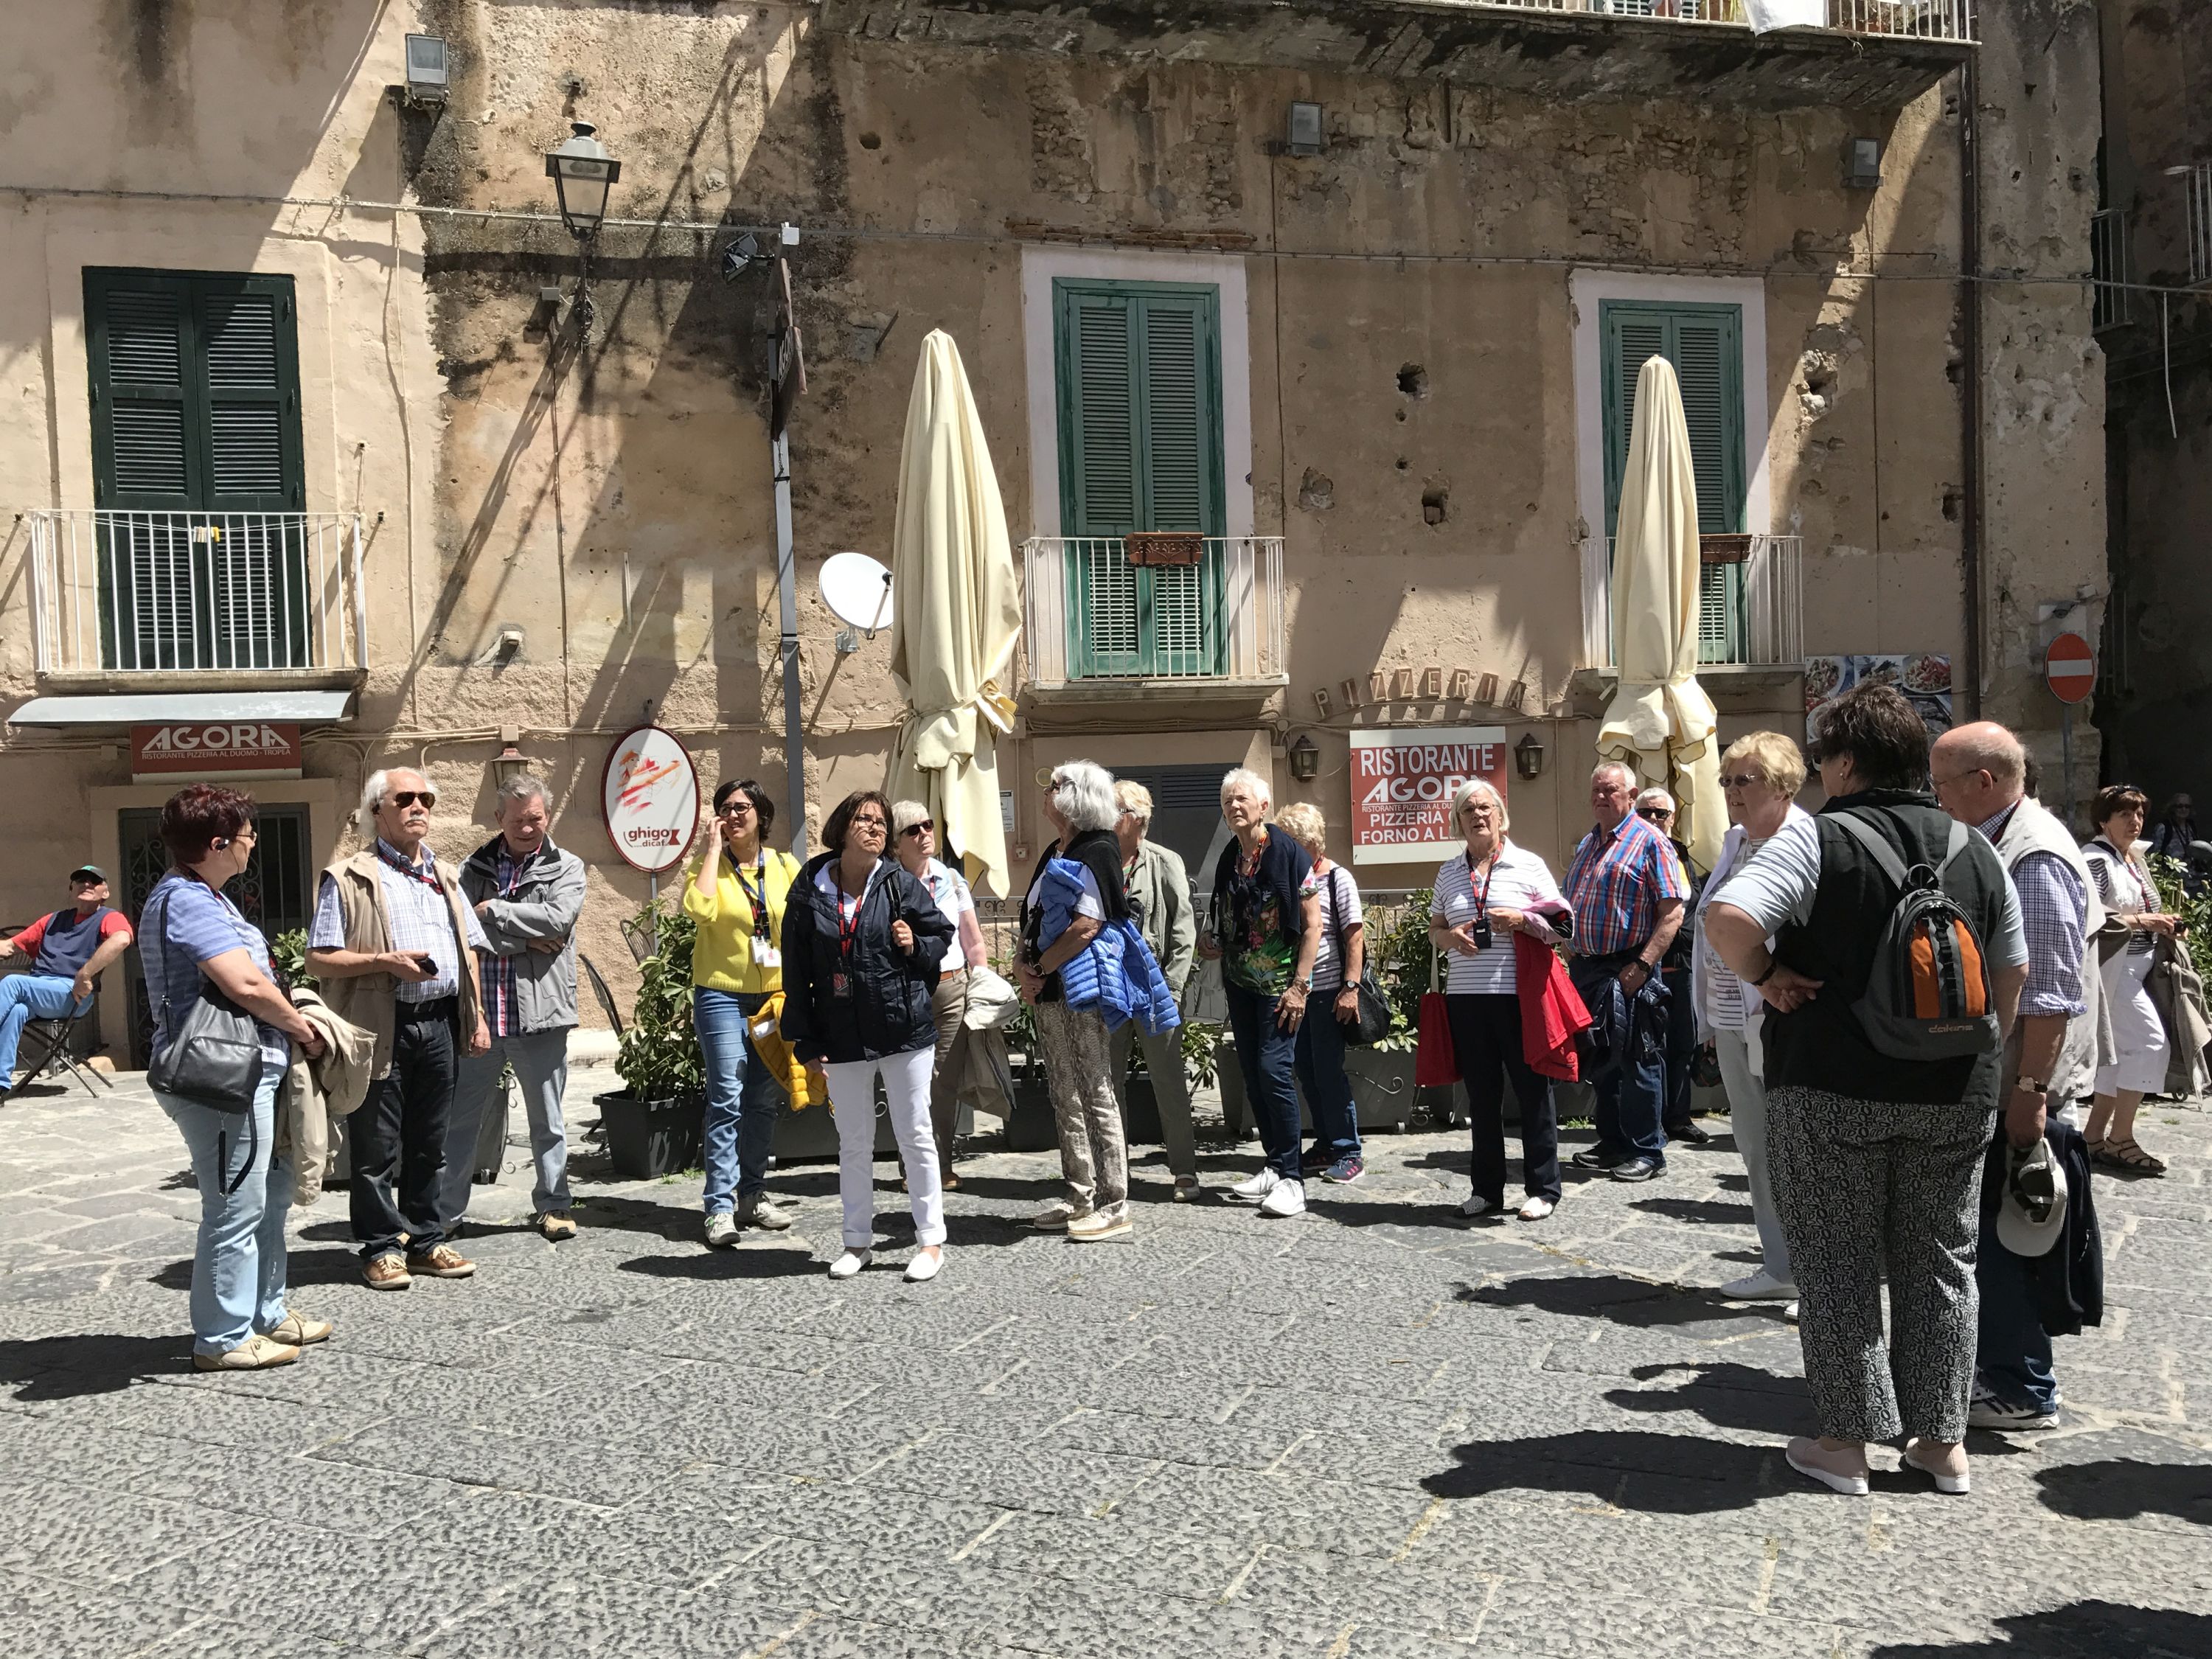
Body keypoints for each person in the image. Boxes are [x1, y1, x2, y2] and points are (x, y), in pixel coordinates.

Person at [1704, 683, 2029, 1498]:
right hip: (1955, 1089)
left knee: (1836, 1259)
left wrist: (1768, 977)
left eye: (1823, 760)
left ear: (1846, 764)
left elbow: (1729, 921)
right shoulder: (1976, 846)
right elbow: (2013, 970)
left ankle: (1845, 1445)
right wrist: (1976, 1053)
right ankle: (1942, 1445)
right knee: (1943, 1261)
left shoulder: (1818, 839)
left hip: (1831, 1083)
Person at [1930, 723, 2108, 1435]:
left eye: (1942, 784)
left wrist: (2030, 1094)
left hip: (2020, 1085)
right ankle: (2002, 1371)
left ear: (1985, 782)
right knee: (1997, 1230)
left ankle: (2021, 1386)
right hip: (2010, 1078)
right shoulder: (2004, 840)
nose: (1936, 798)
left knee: (2010, 1236)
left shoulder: (2032, 857)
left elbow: (2050, 992)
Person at [142, 785, 331, 1370]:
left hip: (248, 1073)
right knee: (234, 1206)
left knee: (267, 1199)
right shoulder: (185, 899)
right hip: (222, 1079)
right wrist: (301, 1027)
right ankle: (222, 1337)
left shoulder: (209, 897)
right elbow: (244, 983)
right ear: (218, 843)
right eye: (248, 835)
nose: (253, 844)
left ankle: (265, 1313)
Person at [307, 768, 491, 1293]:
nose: (418, 807)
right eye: (405, 798)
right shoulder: (349, 878)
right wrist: (382, 962)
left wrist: (476, 1016)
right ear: (377, 811)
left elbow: (469, 951)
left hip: (439, 1023)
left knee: (431, 1143)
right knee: (376, 1148)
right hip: (379, 1026)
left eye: (425, 799)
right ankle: (382, 1248)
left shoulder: (445, 875)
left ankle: (426, 1241)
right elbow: (319, 958)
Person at [781, 790, 954, 1280]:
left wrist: (914, 943)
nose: (876, 828)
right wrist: (805, 1041)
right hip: (840, 1034)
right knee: (853, 1142)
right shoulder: (809, 888)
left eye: (881, 822)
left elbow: (940, 936)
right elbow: (796, 970)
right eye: (865, 819)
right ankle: (857, 1243)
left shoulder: (899, 882)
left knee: (914, 1134)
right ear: (841, 829)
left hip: (904, 1029)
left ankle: (930, 1242)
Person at [1691, 733, 1815, 1304]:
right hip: (1732, 1019)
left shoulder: (1804, 840)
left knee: (1796, 1150)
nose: (1732, 791)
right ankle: (1781, 1265)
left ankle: (1816, 1274)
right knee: (1755, 1145)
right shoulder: (1736, 841)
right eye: (1727, 781)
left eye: (1746, 779)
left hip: (1781, 1017)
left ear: (1784, 784)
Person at [444, 774, 586, 1243]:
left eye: (536, 819)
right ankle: (445, 1215)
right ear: (499, 818)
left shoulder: (567, 867)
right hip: (482, 1017)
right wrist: (523, 939)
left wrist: (493, 912)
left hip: (541, 1016)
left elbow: (558, 921)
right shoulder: (472, 868)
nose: (527, 828)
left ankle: (554, 1205)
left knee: (548, 1121)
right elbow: (459, 929)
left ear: (547, 816)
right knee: (461, 1122)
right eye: (518, 820)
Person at [1427, 778, 1572, 1222]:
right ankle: (1486, 1191)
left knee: (1533, 1093)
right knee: (1481, 1098)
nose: (1477, 815)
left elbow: (1563, 927)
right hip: (1467, 1001)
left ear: (1500, 815)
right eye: (1468, 809)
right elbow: (1435, 930)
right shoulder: (1449, 872)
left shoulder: (1528, 865)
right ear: (1458, 820)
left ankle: (1543, 1188)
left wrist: (1522, 919)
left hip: (1519, 999)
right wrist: (1450, 937)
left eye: (1484, 807)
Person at [1019, 762, 1141, 1240]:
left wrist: (1041, 967)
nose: (1045, 794)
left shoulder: (1099, 849)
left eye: (1052, 787)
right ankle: (1079, 1195)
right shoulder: (1056, 850)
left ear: (1075, 797)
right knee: (1064, 1093)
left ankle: (1113, 1203)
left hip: (1080, 989)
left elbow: (1089, 924)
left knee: (1095, 1090)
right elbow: (1033, 916)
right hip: (1050, 989)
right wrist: (1023, 966)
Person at [1200, 768, 1322, 1219]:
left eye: (1242, 799)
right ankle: (1274, 1164)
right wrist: (1211, 940)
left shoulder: (1289, 854)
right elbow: (1224, 911)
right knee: (1253, 1073)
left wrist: (1300, 987)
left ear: (1263, 806)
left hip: (1280, 986)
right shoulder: (1230, 855)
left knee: (1274, 1071)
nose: (1234, 806)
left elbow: (1313, 925)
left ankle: (1293, 1179)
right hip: (1240, 982)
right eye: (1227, 800)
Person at [685, 779, 802, 1246]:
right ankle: (719, 1207)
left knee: (761, 1100)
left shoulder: (785, 866)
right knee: (727, 1097)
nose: (733, 815)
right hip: (721, 996)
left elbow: (804, 923)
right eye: (724, 808)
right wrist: (712, 850)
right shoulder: (707, 867)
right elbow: (699, 909)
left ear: (761, 814)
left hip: (772, 998)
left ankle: (752, 1196)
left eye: (742, 807)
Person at [1562, 762, 1690, 1183]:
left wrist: (1642, 965)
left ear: (1632, 796)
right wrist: (1566, 945)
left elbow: (1672, 912)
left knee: (1639, 1058)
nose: (1601, 797)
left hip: (1630, 966)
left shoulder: (1651, 841)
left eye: (1611, 790)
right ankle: (1614, 1142)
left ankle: (1648, 1151)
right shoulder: (1589, 842)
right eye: (1596, 790)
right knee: (1603, 1060)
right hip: (1589, 968)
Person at [1110, 779, 1201, 1200]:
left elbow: (1183, 929)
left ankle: (1184, 1171)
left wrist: (1173, 990)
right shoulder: (1100, 860)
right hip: (1110, 990)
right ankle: (1115, 1172)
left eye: (1116, 811)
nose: (1108, 817)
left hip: (1154, 988)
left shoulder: (1164, 861)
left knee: (1168, 1084)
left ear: (1136, 819)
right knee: (1108, 1086)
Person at [2081, 784, 2179, 1176]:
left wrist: (2165, 924)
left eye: (2139, 814)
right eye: (2124, 814)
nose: (2135, 821)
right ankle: (2121, 1138)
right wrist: (2144, 921)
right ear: (2104, 820)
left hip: (2135, 970)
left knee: (2118, 1053)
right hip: (2113, 971)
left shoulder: (2131, 858)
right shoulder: (2096, 860)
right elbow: (2088, 914)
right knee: (2150, 1043)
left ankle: (2093, 1137)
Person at [891, 800, 988, 1190]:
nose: (924, 834)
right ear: (897, 843)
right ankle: (911, 1167)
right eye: (913, 830)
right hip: (907, 990)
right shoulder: (888, 882)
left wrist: (980, 983)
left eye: (928, 825)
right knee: (910, 1081)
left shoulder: (951, 878)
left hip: (952, 987)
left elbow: (973, 941)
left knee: (944, 1081)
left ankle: (941, 1164)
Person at [1276, 803, 1367, 1186]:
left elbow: (1355, 936)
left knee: (1329, 1073)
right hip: (1296, 994)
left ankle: (1349, 1152)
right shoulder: (1291, 877)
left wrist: (1350, 988)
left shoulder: (1337, 878)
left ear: (1310, 842)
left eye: (1291, 842)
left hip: (1329, 991)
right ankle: (1327, 1143)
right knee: (1307, 1072)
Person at [0, 863, 133, 1099]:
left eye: (95, 881)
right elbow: (9, 947)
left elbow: (122, 939)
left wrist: (85, 974)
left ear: (106, 892)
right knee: (16, 1011)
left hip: (72, 993)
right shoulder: (52, 920)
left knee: (13, 983)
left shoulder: (109, 917)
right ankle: (1, 1083)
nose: (87, 884)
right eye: (81, 880)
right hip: (40, 989)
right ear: (72, 889)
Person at [1635, 787, 1711, 1147]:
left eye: (1660, 813)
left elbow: (1692, 904)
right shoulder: (1632, 853)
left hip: (1684, 963)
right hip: (1648, 963)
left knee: (1683, 1042)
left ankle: (1679, 1117)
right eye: (1645, 813)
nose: (1653, 819)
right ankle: (1652, 1122)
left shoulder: (1680, 853)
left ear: (1672, 818)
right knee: (1652, 1045)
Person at [2148, 793, 2197, 863]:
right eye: (2180, 806)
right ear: (2173, 808)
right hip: (2171, 869)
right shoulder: (2164, 828)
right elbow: (2154, 854)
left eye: (2187, 806)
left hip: (2191, 869)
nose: (2184, 809)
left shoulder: (2191, 826)